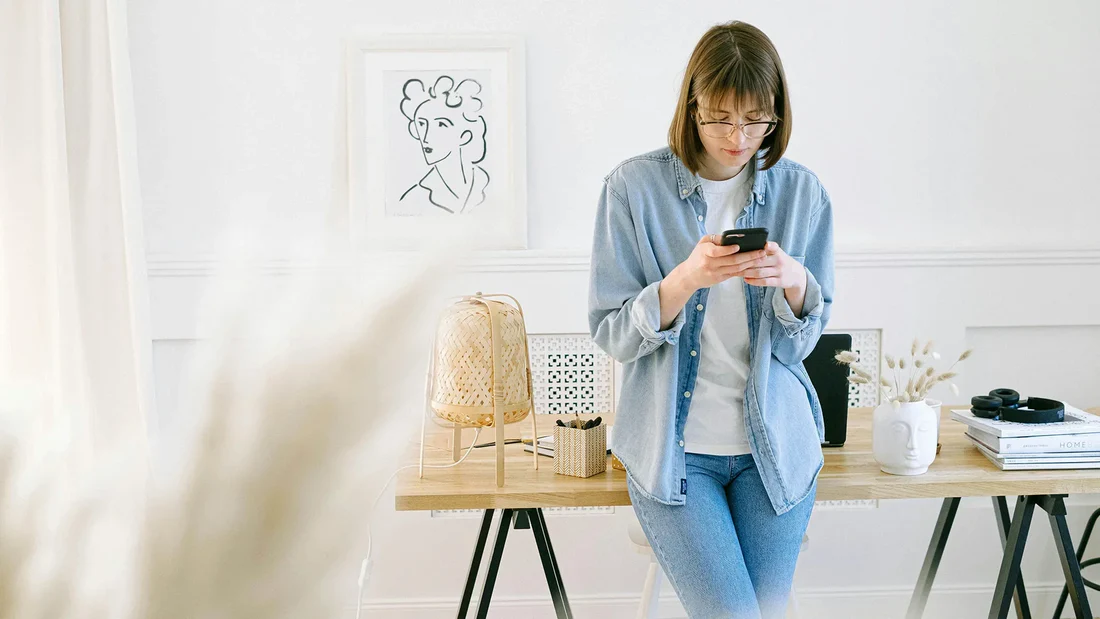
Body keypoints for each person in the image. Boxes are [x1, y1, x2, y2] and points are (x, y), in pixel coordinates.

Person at [588, 20, 835, 619]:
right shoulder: (632, 189)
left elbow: (802, 345)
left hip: (773, 449)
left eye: (757, 120)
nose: (738, 136)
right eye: (721, 116)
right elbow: (611, 331)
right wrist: (684, 280)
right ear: (691, 105)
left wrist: (797, 283)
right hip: (676, 456)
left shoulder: (802, 195)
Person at [397, 75, 490, 215]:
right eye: (421, 124)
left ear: (464, 136)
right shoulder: (413, 201)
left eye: (441, 124)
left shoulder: (488, 185)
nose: (426, 137)